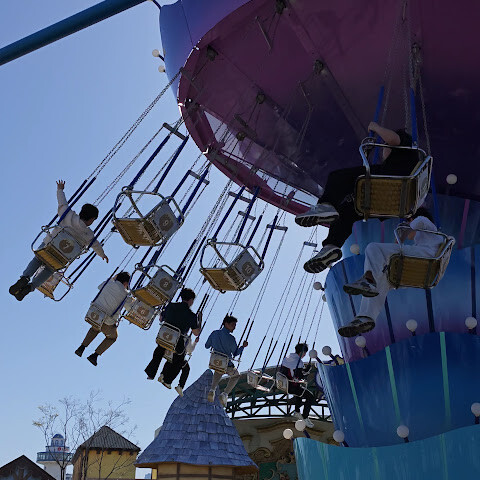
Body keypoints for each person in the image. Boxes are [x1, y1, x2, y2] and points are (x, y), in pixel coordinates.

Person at [296, 122, 420, 274]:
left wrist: (375, 127)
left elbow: (394, 139)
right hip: (394, 202)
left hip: (389, 182)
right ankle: (331, 246)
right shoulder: (412, 164)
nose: (383, 152)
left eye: (385, 147)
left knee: (337, 177)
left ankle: (326, 205)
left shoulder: (403, 150)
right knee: (346, 211)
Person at [338, 207, 444, 337]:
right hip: (420, 267)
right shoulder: (423, 241)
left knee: (373, 247)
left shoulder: (426, 223)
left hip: (424, 257)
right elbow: (398, 246)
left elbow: (418, 222)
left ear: (412, 218)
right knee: (382, 281)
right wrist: (401, 238)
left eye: (408, 219)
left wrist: (405, 228)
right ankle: (366, 316)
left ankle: (369, 279)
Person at [9, 180, 108, 301]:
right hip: (61, 257)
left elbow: (62, 203)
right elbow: (96, 245)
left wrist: (60, 189)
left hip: (49, 246)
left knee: (38, 258)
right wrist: (102, 254)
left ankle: (24, 278)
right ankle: (31, 287)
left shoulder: (68, 215)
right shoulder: (89, 234)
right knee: (50, 269)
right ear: (92, 219)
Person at [75, 272, 133, 365]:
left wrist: (113, 279)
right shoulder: (125, 294)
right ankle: (95, 355)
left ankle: (81, 347)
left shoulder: (108, 283)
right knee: (112, 337)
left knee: (95, 328)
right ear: (126, 283)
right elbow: (130, 308)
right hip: (107, 322)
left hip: (93, 314)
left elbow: (99, 287)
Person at [145, 288, 200, 383]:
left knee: (159, 350)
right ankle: (167, 379)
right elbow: (196, 333)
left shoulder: (171, 305)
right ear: (191, 300)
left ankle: (151, 373)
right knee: (179, 359)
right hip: (177, 341)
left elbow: (161, 318)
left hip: (164, 335)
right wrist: (198, 325)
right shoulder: (192, 315)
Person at [205, 315, 248, 407]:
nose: (234, 327)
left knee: (219, 370)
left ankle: (212, 390)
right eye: (233, 325)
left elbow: (207, 346)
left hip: (214, 361)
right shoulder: (231, 339)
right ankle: (225, 394)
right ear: (226, 324)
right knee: (236, 375)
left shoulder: (214, 333)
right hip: (226, 363)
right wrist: (243, 347)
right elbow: (235, 353)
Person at [280, 343, 315, 428]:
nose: (304, 355)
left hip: (284, 384)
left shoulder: (286, 358)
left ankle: (297, 411)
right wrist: (307, 370)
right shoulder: (299, 362)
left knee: (300, 391)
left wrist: (303, 371)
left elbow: (293, 371)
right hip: (292, 386)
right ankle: (305, 417)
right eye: (305, 353)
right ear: (302, 352)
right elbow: (299, 376)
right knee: (310, 396)